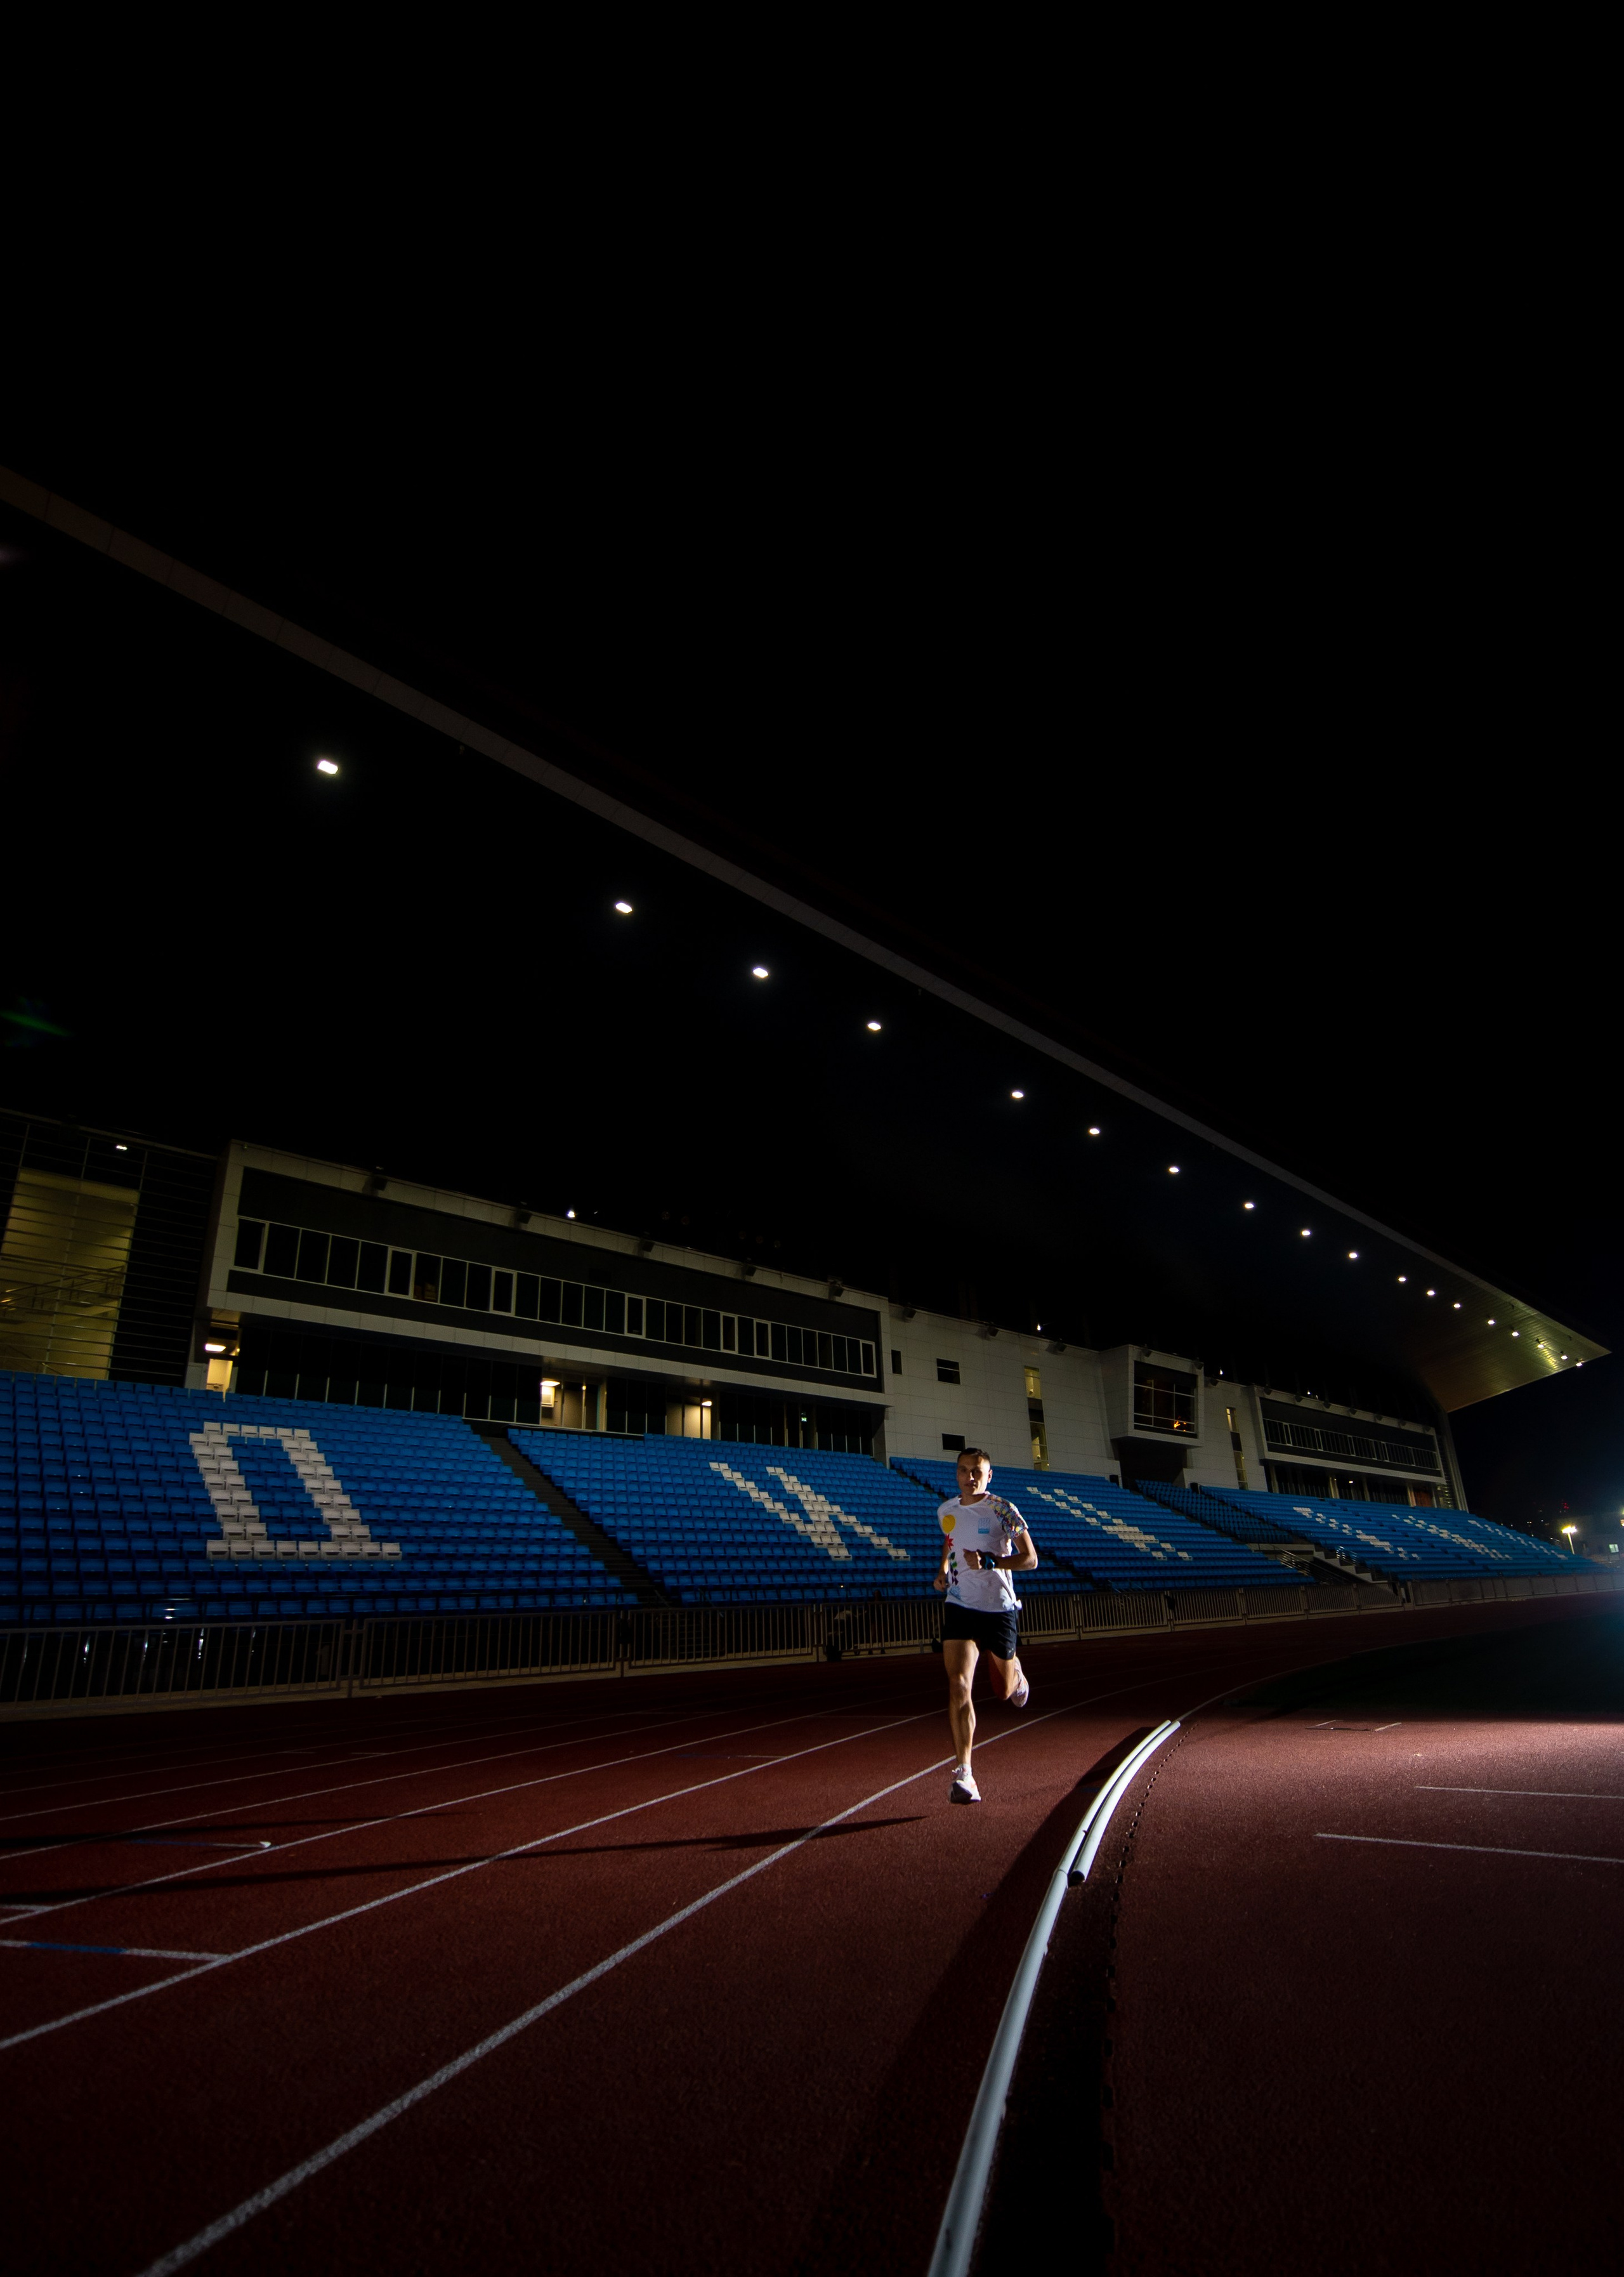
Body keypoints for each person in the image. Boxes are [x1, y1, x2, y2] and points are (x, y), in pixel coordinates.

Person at [933, 1447, 1037, 1804]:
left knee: (1004, 1691)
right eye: (964, 1471)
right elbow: (949, 1543)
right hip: (960, 1604)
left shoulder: (1003, 1510)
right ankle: (965, 1774)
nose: (970, 1477)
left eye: (977, 1471)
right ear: (957, 1474)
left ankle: (1017, 1674)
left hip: (998, 1608)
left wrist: (991, 1562)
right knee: (958, 1684)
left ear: (989, 1475)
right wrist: (943, 1570)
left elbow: (1031, 1559)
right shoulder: (946, 1510)